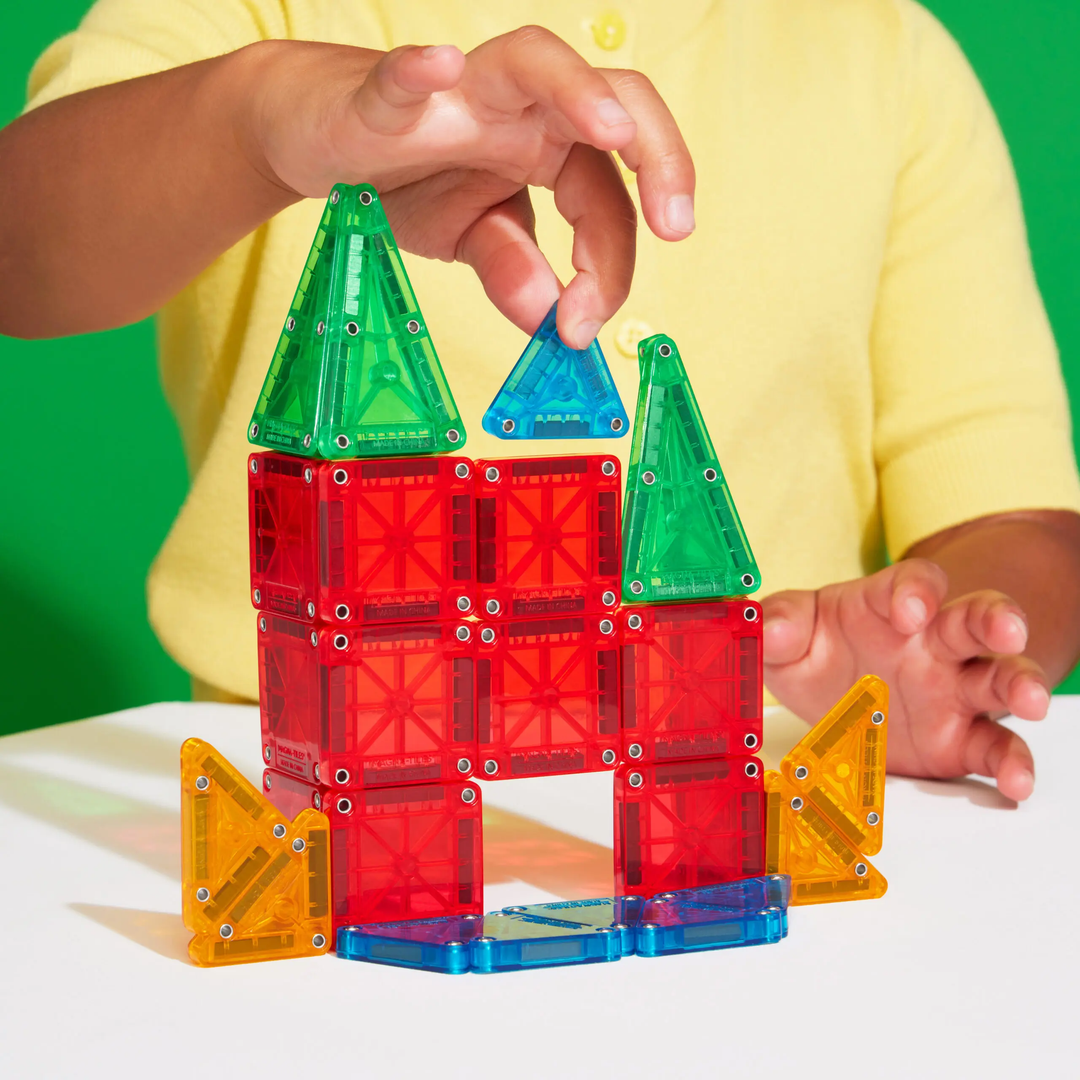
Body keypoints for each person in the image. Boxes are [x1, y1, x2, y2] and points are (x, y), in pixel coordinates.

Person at [1, 0, 1078, 802]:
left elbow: (1018, 511)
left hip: (738, 767)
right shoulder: (250, 13)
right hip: (326, 777)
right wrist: (256, 117)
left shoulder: (885, 54)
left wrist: (938, 645)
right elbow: (21, 254)